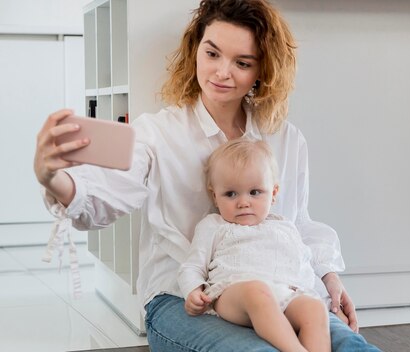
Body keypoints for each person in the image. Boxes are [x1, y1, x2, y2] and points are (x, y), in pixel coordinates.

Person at [33, 0, 380, 350]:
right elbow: (102, 201)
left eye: (241, 63)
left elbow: (296, 223)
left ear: (263, 70)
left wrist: (329, 278)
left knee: (355, 347)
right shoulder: (157, 133)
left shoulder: (285, 138)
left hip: (283, 292)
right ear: (195, 50)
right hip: (182, 299)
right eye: (212, 54)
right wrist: (52, 177)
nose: (221, 72)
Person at [179, 138, 334, 352]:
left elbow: (304, 264)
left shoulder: (284, 226)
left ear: (274, 194)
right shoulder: (214, 225)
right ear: (215, 196)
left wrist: (324, 294)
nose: (243, 202)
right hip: (234, 294)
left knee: (315, 309)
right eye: (231, 194)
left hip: (284, 293)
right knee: (256, 290)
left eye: (254, 192)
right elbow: (192, 266)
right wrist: (193, 291)